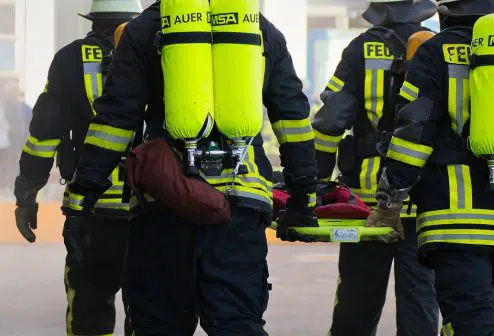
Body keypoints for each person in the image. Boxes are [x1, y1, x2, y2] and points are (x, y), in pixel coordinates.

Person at [60, 2, 318, 335]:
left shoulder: (145, 28)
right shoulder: (260, 31)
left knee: (157, 326)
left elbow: (115, 122)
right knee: (237, 324)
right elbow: (293, 121)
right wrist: (304, 199)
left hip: (164, 203)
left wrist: (82, 197)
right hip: (239, 206)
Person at [12, 1, 142, 335]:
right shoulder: (158, 55)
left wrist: (27, 192)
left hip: (91, 209)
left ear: (94, 20)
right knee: (151, 313)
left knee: (88, 310)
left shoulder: (69, 59)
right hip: (150, 209)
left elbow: (44, 134)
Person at [310, 1, 440, 335]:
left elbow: (330, 122)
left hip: (366, 204)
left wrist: (317, 182)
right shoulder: (437, 46)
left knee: (356, 300)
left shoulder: (359, 50)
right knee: (421, 304)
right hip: (423, 202)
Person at [366, 0, 494, 334]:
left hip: (455, 223)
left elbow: (412, 134)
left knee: (471, 322)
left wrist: (390, 202)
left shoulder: (433, 51)